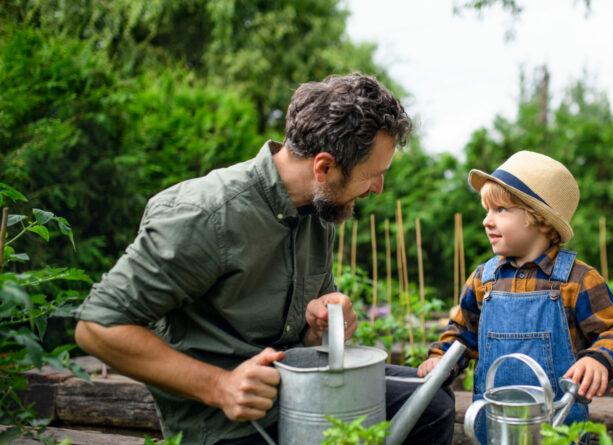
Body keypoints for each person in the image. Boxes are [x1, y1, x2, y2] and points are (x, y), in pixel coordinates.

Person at [74, 73, 454, 445]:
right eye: (373, 175)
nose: (378, 188)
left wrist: (318, 326)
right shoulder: (205, 215)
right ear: (324, 167)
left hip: (296, 392)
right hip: (227, 422)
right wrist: (218, 386)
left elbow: (301, 341)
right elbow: (97, 326)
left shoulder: (319, 212)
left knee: (432, 405)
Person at [418, 151, 613, 443]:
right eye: (487, 210)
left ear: (539, 219)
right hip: (494, 428)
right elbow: (462, 333)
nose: (487, 221)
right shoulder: (484, 280)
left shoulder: (577, 280)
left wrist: (599, 360)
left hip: (558, 429)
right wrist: (441, 360)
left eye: (500, 210)